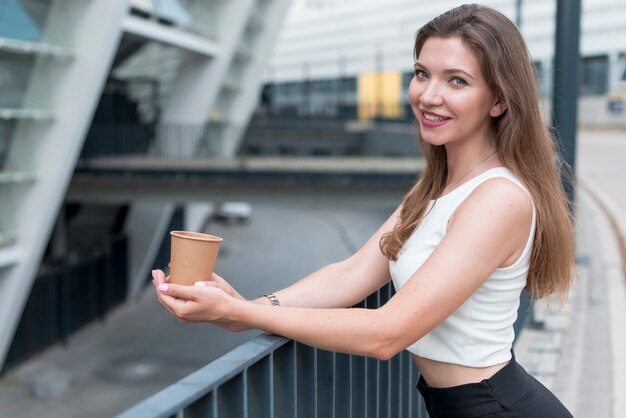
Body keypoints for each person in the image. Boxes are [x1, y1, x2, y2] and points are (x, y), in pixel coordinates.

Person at [152, 4, 575, 417]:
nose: (428, 96)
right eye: (422, 73)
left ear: (498, 100)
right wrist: (247, 307)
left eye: (457, 81)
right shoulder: (433, 190)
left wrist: (240, 313)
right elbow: (352, 274)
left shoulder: (498, 198)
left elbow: (388, 333)